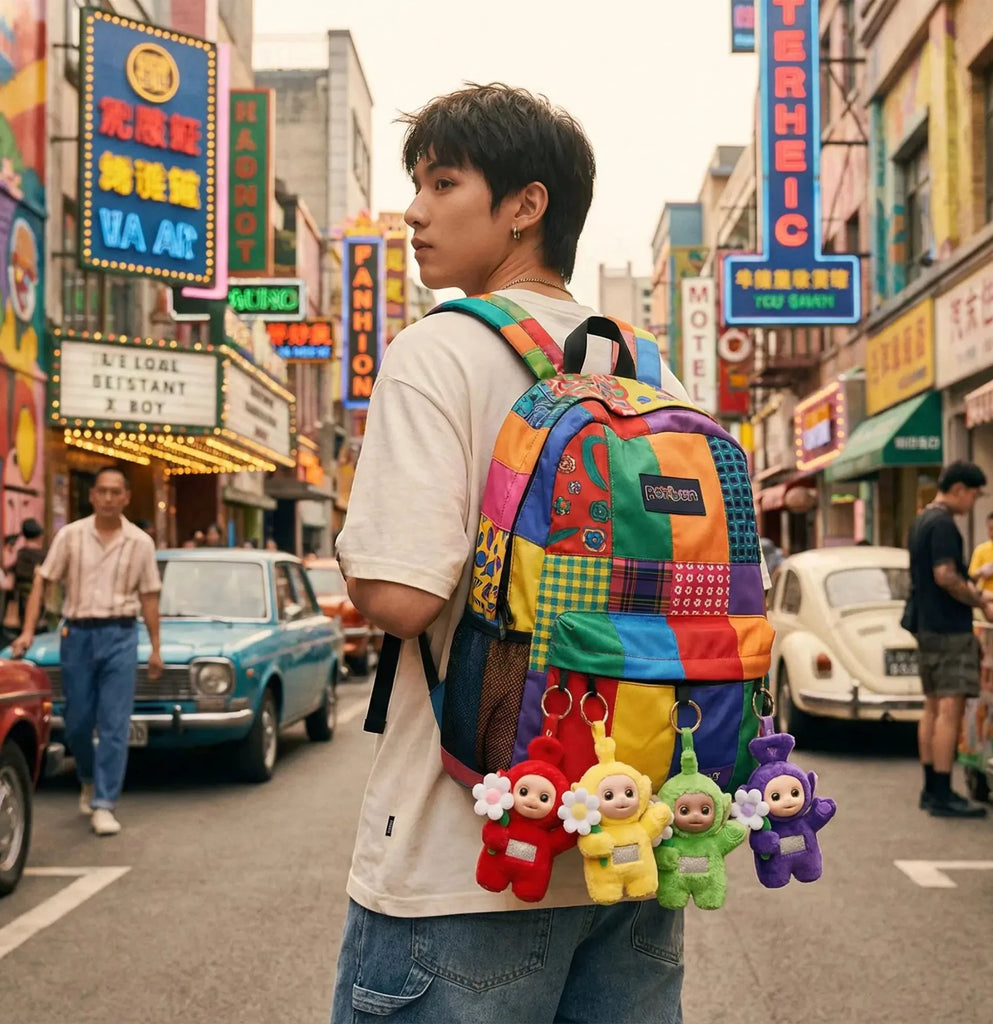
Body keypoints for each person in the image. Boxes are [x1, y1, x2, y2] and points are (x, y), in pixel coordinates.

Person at [331, 83, 699, 1024]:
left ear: (526, 206)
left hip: (468, 858)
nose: (413, 210)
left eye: (443, 181)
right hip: (631, 848)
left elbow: (402, 597)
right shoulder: (658, 373)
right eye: (415, 183)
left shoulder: (438, 351)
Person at [9, 466, 162, 836]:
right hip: (76, 634)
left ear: (125, 497)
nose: (108, 498)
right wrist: (28, 631)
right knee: (77, 721)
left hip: (122, 635)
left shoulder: (140, 542)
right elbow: (43, 582)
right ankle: (89, 776)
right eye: (102, 492)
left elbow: (149, 596)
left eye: (116, 492)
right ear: (92, 496)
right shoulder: (70, 536)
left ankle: (104, 802)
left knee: (114, 722)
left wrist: (156, 647)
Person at [904, 461, 993, 818]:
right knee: (950, 709)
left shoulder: (922, 520)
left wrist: (982, 595)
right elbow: (945, 576)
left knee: (932, 708)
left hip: (926, 627)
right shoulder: (944, 523)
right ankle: (944, 791)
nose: (973, 503)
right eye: (974, 495)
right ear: (960, 489)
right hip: (948, 629)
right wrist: (982, 603)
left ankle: (931, 788)